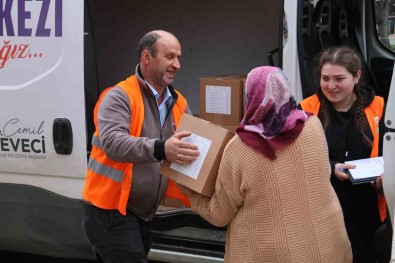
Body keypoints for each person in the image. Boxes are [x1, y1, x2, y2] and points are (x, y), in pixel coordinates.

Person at [180, 66, 353, 263]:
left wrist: (187, 187)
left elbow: (219, 215)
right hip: (329, 248)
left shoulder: (240, 147)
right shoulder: (313, 126)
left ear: (250, 97)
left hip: (272, 254)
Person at [81, 30, 200, 263]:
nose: (177, 64)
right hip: (110, 210)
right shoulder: (119, 96)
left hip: (142, 213)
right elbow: (113, 143)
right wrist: (162, 148)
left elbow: (195, 145)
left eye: (179, 58)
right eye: (170, 57)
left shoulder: (178, 102)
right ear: (147, 58)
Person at [299, 45, 393, 263]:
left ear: (357, 76)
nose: (330, 86)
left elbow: (392, 153)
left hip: (367, 209)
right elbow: (296, 155)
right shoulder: (306, 108)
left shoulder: (380, 107)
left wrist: (386, 178)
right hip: (322, 208)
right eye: (325, 78)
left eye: (339, 78)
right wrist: (331, 167)